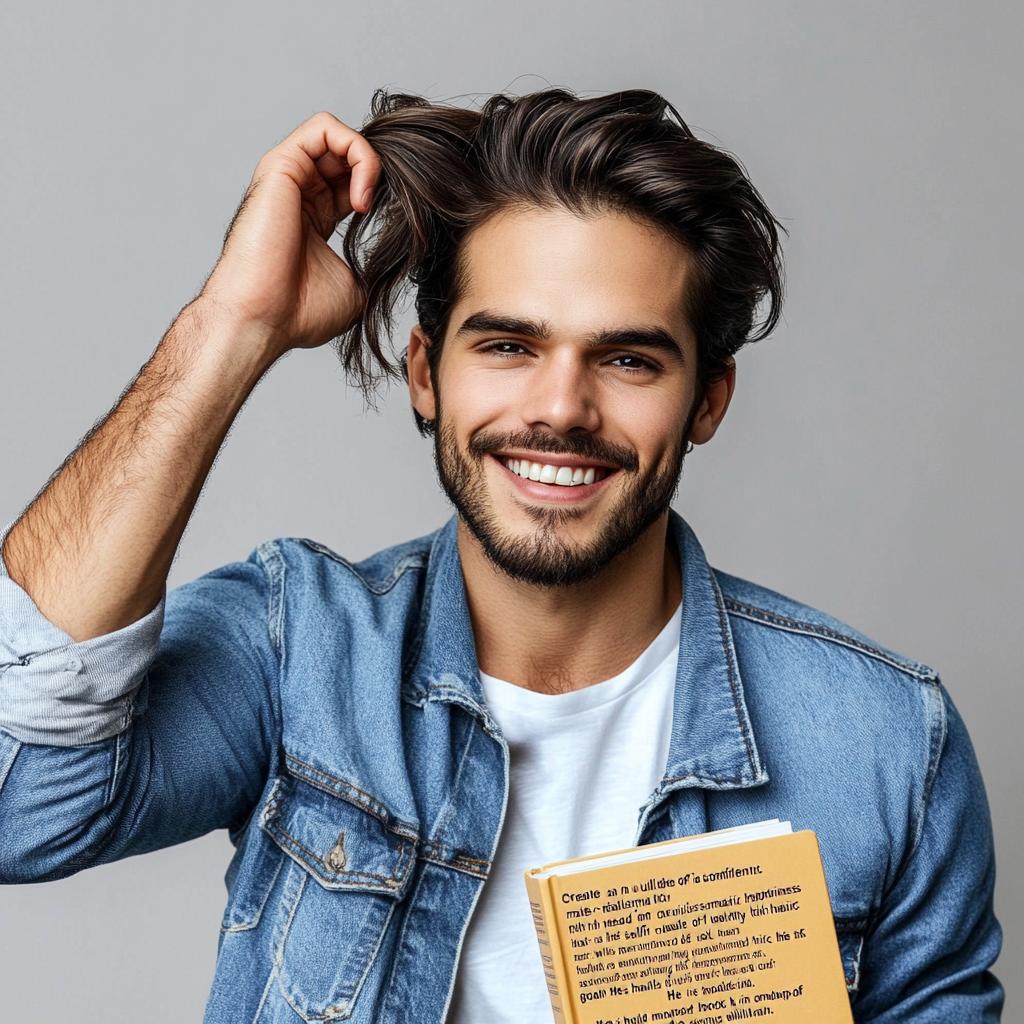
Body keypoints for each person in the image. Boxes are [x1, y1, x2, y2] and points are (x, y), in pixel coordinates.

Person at [0, 89, 1002, 1023]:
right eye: (509, 347)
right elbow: (24, 809)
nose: (561, 408)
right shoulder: (299, 646)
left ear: (707, 399)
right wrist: (230, 327)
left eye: (626, 358)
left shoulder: (881, 745)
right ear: (426, 374)